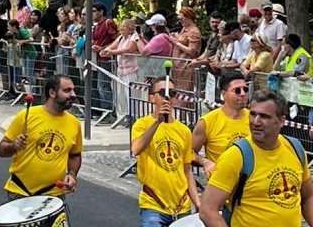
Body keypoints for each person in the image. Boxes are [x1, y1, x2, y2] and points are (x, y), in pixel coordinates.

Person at [200, 90, 313, 226]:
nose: (256, 122)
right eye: (253, 114)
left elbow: (307, 197)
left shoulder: (295, 148)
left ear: (281, 120)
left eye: (264, 116)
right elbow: (207, 210)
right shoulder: (236, 156)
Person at [0, 74, 82, 200]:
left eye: (73, 90)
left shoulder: (74, 123)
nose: (73, 94)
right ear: (52, 93)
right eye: (67, 90)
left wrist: (72, 174)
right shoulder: (26, 116)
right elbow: (2, 150)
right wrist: (14, 146)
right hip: (20, 192)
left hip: (54, 195)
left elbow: (75, 154)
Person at [131, 77, 200, 226]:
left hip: (181, 206)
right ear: (151, 98)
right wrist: (158, 122)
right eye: (162, 93)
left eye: (172, 93)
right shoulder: (142, 125)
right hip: (153, 204)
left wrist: (198, 203)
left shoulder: (184, 131)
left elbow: (187, 171)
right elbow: (136, 149)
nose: (167, 98)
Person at [192, 71, 250, 178]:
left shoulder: (254, 119)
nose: (243, 94)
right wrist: (205, 163)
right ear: (224, 94)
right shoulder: (207, 122)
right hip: (221, 187)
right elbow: (189, 152)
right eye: (237, 90)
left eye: (245, 89)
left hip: (250, 186)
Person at [100, 18, 139, 126]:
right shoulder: (121, 37)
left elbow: (128, 49)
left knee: (130, 94)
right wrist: (106, 50)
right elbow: (112, 46)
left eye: (124, 26)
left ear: (130, 28)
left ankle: (134, 116)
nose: (121, 28)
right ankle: (125, 116)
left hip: (131, 70)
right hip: (121, 70)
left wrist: (112, 52)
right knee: (121, 95)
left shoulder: (134, 37)